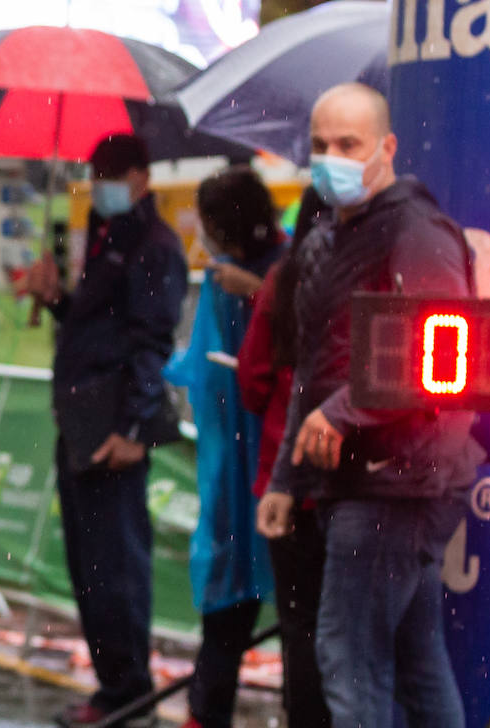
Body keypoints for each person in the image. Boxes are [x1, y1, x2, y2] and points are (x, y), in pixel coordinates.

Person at [255, 83, 484, 727]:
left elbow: (445, 354)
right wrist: (286, 479)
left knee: (350, 656)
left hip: (400, 481)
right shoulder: (331, 237)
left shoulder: (416, 231)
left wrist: (344, 414)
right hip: (363, 481)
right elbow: (314, 368)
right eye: (321, 145)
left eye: (348, 144)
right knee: (413, 662)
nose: (332, 157)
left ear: (387, 148)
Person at [24, 134, 188, 728]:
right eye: (94, 174)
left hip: (114, 426)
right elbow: (101, 325)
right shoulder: (105, 233)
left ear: (141, 177)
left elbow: (150, 344)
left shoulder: (153, 245)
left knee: (116, 563)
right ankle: (111, 685)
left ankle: (128, 691)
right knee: (88, 562)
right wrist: (59, 300)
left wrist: (133, 429)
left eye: (110, 175)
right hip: (81, 418)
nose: (100, 186)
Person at [163, 166, 280, 728]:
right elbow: (202, 369)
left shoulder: (286, 267)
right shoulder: (220, 279)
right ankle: (207, 714)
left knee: (286, 618)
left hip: (274, 463)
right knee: (227, 609)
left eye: (208, 221)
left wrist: (258, 295)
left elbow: (303, 336)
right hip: (235, 471)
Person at [236, 231, 331, 726]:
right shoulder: (362, 270)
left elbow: (251, 377)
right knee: (344, 628)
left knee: (300, 623)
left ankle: (304, 716)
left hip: (284, 471)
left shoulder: (286, 278)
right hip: (346, 483)